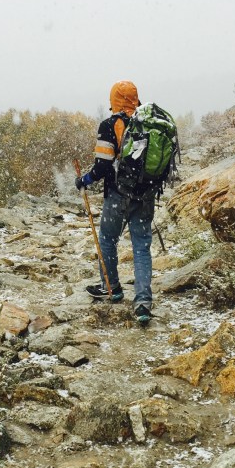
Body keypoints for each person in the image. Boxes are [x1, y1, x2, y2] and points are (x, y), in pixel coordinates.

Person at [75, 80, 155, 325]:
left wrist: (84, 180)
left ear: (114, 101)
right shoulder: (149, 122)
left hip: (118, 196)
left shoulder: (110, 125)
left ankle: (112, 288)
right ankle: (142, 303)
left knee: (108, 240)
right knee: (141, 246)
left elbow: (102, 166)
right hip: (146, 195)